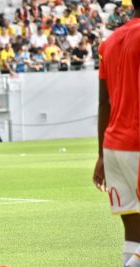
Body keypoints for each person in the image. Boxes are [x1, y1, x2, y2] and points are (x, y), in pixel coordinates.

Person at [92, 3, 140, 267]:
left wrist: (101, 155)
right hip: (137, 143)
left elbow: (103, 102)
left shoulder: (108, 42)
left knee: (133, 232)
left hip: (114, 147)